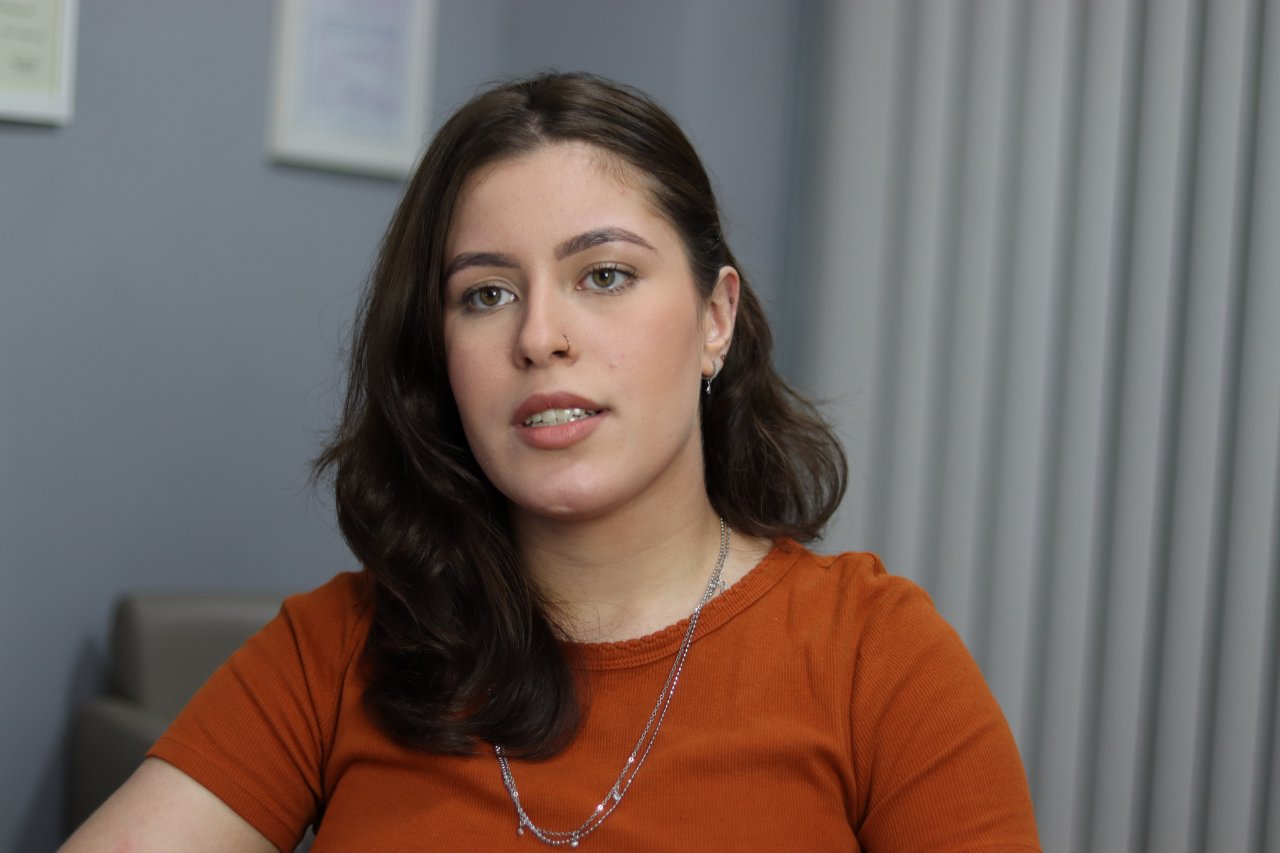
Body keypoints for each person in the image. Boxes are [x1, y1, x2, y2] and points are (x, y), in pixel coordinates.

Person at [62, 72, 1040, 852]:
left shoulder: (878, 657)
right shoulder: (335, 647)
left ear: (715, 318)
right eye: (485, 294)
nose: (539, 337)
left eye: (603, 275)